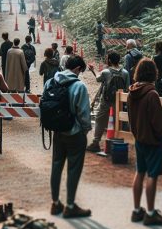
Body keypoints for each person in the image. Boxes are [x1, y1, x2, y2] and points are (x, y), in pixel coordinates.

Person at [128, 58, 162, 226]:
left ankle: (137, 210)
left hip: (139, 139)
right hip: (153, 141)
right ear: (153, 73)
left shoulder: (133, 92)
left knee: (139, 172)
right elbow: (158, 122)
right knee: (152, 175)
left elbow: (131, 118)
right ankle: (151, 213)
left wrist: (136, 133)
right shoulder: (152, 94)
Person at [49, 55, 93, 218]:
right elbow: (83, 113)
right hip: (74, 133)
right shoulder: (79, 86)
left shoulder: (52, 81)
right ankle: (70, 205)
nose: (80, 74)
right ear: (77, 69)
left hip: (57, 131)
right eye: (80, 71)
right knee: (73, 168)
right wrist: (85, 130)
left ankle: (55, 203)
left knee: (56, 165)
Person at [86, 51, 130, 152]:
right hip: (119, 101)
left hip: (106, 101)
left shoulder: (106, 72)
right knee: (116, 122)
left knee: (100, 120)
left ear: (109, 60)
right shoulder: (125, 73)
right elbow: (127, 88)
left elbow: (98, 79)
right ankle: (115, 145)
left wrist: (93, 70)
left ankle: (96, 142)